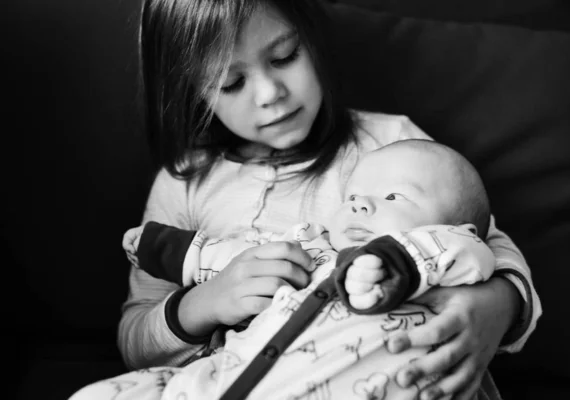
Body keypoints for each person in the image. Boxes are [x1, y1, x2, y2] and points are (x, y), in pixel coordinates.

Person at [93, 0, 541, 399]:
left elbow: (482, 237)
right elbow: (137, 341)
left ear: (311, 38)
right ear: (192, 92)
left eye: (285, 56)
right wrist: (206, 303)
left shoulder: (390, 143)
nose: (270, 94)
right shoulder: (185, 181)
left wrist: (496, 307)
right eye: (230, 83)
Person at [70, 139, 496, 400]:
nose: (361, 204)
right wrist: (168, 250)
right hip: (213, 383)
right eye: (353, 196)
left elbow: (474, 253)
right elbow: (233, 255)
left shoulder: (445, 247)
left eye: (395, 198)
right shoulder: (311, 247)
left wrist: (396, 262)